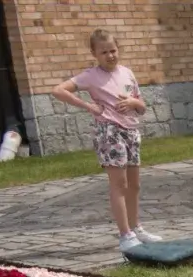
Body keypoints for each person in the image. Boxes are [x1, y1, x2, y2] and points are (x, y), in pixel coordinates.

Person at [52, 30, 162, 254]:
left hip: (131, 131)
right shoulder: (91, 76)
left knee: (134, 185)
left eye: (113, 50)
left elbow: (141, 106)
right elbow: (58, 90)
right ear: (94, 53)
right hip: (109, 132)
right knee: (119, 185)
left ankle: (136, 227)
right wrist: (89, 107)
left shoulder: (127, 73)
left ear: (118, 49)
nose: (110, 56)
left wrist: (133, 101)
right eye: (104, 52)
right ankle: (125, 235)